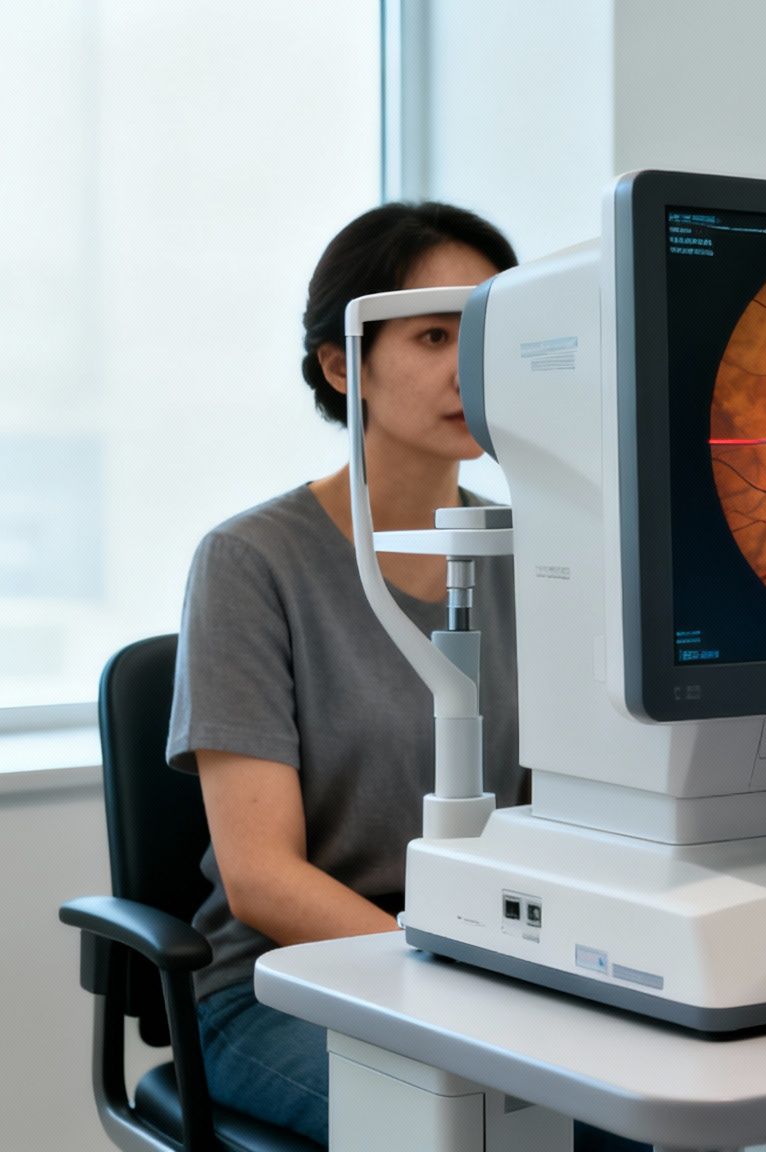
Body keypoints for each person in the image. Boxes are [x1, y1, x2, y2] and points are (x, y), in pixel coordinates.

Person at [167, 202, 522, 1144]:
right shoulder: (252, 563)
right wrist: (450, 974)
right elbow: (261, 880)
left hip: (496, 966)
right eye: (434, 334)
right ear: (342, 363)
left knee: (640, 1115)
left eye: (486, 332)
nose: (468, 366)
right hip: (284, 987)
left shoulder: (535, 552)